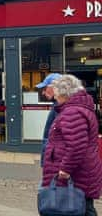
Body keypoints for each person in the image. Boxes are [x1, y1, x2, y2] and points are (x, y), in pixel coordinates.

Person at [41, 75, 102, 216]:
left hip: (76, 175)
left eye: (56, 94)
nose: (55, 98)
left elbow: (76, 145)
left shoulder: (72, 112)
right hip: (82, 173)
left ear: (65, 94)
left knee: (77, 208)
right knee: (83, 207)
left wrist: (65, 169)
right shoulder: (79, 109)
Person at [35, 73, 61, 166]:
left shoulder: (62, 108)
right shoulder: (57, 106)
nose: (43, 92)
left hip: (56, 163)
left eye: (45, 89)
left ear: (54, 87)